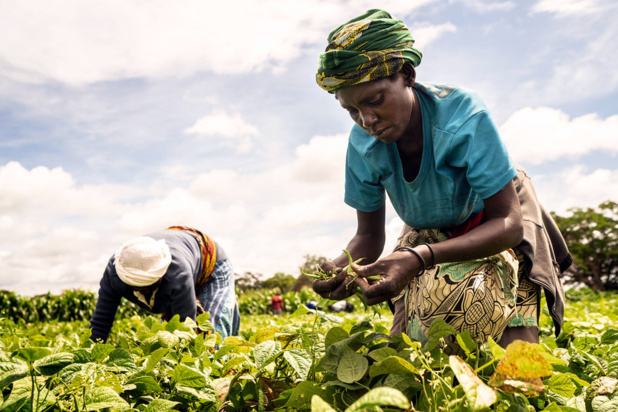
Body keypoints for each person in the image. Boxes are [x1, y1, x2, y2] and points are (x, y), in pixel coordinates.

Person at [311, 9, 571, 353]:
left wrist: (419, 258)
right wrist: (344, 268)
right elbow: (369, 236)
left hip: (495, 216)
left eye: (375, 100)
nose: (367, 119)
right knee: (410, 347)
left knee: (515, 363)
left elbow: (508, 224)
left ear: (407, 75)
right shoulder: (362, 145)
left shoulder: (463, 115)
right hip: (428, 226)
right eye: (352, 110)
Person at [89, 226, 240, 342]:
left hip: (210, 262)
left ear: (161, 275)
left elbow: (185, 327)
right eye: (140, 287)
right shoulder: (115, 274)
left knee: (211, 339)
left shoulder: (177, 273)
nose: (145, 292)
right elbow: (101, 322)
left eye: (151, 285)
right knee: (164, 342)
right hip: (182, 261)